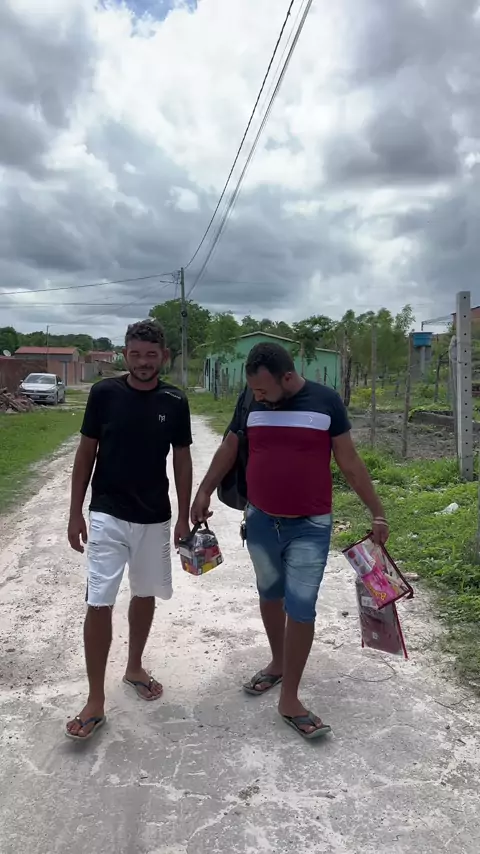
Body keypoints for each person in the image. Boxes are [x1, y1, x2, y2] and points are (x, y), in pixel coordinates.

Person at [191, 342, 389, 741]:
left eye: (264, 390)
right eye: (254, 390)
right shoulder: (252, 399)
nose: (258, 397)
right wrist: (204, 490)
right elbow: (230, 446)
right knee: (269, 594)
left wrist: (377, 511)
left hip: (310, 527)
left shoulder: (326, 401)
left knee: (301, 607)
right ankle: (277, 663)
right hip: (261, 520)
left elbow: (349, 460)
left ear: (287, 377)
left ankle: (290, 698)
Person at [66, 319, 192, 740]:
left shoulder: (175, 400)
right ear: (125, 354)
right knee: (99, 599)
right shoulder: (104, 394)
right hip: (107, 512)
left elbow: (182, 459)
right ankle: (95, 700)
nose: (142, 362)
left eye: (151, 355)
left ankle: (134, 666)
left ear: (164, 357)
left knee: (144, 593)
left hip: (154, 516)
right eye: (135, 354)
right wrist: (75, 512)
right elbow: (86, 453)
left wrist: (184, 515)